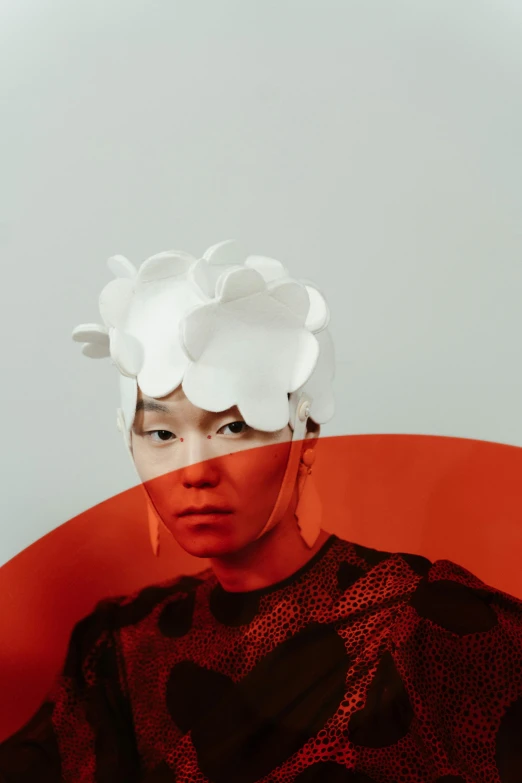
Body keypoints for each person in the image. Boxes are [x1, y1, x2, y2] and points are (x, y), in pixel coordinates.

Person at [0, 240, 521, 783]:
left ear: (306, 433)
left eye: (233, 428)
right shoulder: (122, 645)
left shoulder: (429, 621)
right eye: (160, 433)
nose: (193, 469)